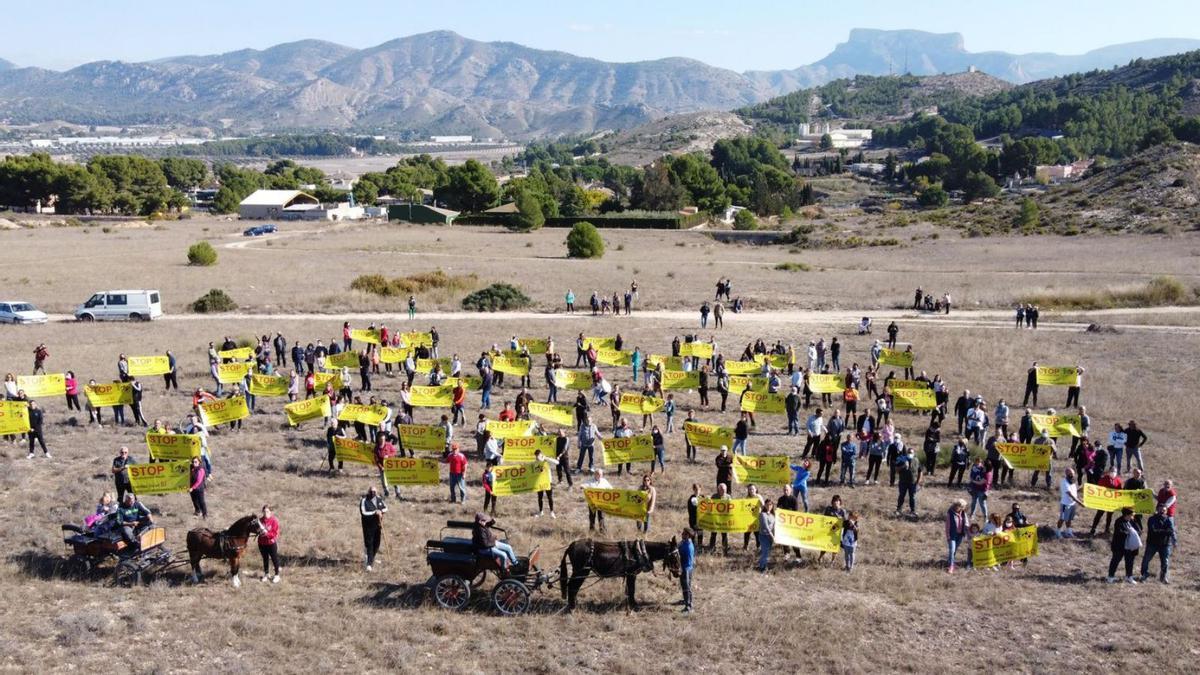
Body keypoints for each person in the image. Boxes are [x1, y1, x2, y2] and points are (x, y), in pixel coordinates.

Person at [1140, 504, 1177, 583]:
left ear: (1166, 511)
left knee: (1165, 562)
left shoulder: (1168, 520)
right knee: (1146, 560)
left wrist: (1160, 531)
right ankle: (1144, 575)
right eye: (1160, 510)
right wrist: (1165, 531)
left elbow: (1171, 531)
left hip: (1165, 545)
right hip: (1152, 544)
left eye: (1164, 510)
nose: (1162, 512)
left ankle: (1163, 577)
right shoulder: (1151, 519)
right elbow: (1153, 531)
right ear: (1157, 510)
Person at [1107, 508, 1141, 584]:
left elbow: (1139, 530)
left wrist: (1135, 533)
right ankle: (1110, 576)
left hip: (1130, 546)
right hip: (1119, 546)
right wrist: (1129, 533)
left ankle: (1129, 576)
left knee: (1130, 562)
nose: (1133, 516)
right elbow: (1119, 532)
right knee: (1115, 561)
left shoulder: (1132, 521)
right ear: (1126, 515)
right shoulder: (1119, 521)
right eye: (1132, 514)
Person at [360, 486, 387, 571]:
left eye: (374, 492)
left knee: (377, 543)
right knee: (369, 544)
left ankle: (371, 558)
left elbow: (385, 507)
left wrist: (381, 511)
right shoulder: (364, 500)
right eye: (371, 491)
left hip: (378, 525)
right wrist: (374, 512)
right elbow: (363, 512)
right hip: (368, 526)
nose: (373, 493)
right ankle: (369, 564)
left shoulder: (379, 499)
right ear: (368, 492)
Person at [1088, 467, 1122, 536]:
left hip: (1112, 502)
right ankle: (1093, 528)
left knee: (1109, 516)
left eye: (1114, 471)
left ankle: (1107, 529)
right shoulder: (1104, 479)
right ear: (1109, 471)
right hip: (1103, 501)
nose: (1113, 473)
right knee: (1099, 515)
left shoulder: (1118, 480)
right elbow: (1099, 488)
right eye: (1112, 471)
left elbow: (1120, 490)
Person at [1055, 468, 1085, 538]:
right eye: (1070, 474)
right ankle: (1058, 531)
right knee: (1062, 519)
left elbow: (1074, 491)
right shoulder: (1064, 482)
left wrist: (1080, 489)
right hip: (1065, 504)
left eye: (1073, 473)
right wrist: (1080, 502)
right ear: (1067, 474)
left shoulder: (1072, 482)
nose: (1072, 475)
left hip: (1072, 504)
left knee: (1069, 519)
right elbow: (1070, 494)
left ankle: (1068, 531)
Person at [258, 505, 281, 583]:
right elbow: (257, 530)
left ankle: (277, 575)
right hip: (262, 543)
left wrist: (266, 533)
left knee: (274, 558)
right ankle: (266, 574)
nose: (265, 513)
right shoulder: (260, 520)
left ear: (270, 512)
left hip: (271, 543)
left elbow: (274, 533)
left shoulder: (274, 521)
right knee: (265, 559)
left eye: (267, 511)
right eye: (264, 511)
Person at [895, 448, 921, 516]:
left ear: (914, 453)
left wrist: (918, 483)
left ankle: (913, 511)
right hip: (903, 482)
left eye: (911, 453)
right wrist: (903, 466)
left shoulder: (916, 460)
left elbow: (920, 472)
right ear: (906, 453)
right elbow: (897, 470)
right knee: (901, 496)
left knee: (912, 497)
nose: (910, 454)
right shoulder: (902, 460)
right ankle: (898, 510)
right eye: (909, 452)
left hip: (913, 482)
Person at [945, 499, 968, 573]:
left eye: (963, 507)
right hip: (952, 535)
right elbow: (947, 526)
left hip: (960, 535)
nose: (963, 508)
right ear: (957, 506)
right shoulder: (950, 513)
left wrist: (969, 530)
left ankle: (950, 562)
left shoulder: (963, 513)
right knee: (952, 550)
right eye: (962, 506)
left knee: (954, 550)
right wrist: (948, 536)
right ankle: (951, 566)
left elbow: (967, 523)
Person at [678, 528, 696, 613]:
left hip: (686, 569)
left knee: (686, 588)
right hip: (685, 568)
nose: (682, 534)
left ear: (688, 536)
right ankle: (686, 600)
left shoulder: (687, 546)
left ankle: (688, 606)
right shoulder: (684, 542)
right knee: (685, 586)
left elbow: (681, 556)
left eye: (684, 534)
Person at [756, 498, 775, 572]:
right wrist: (772, 536)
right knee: (765, 552)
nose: (769, 506)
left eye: (770, 504)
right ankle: (762, 568)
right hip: (763, 536)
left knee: (766, 552)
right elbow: (766, 526)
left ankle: (762, 564)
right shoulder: (762, 514)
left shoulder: (773, 515)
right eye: (767, 504)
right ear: (765, 505)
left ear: (772, 505)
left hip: (770, 537)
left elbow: (774, 526)